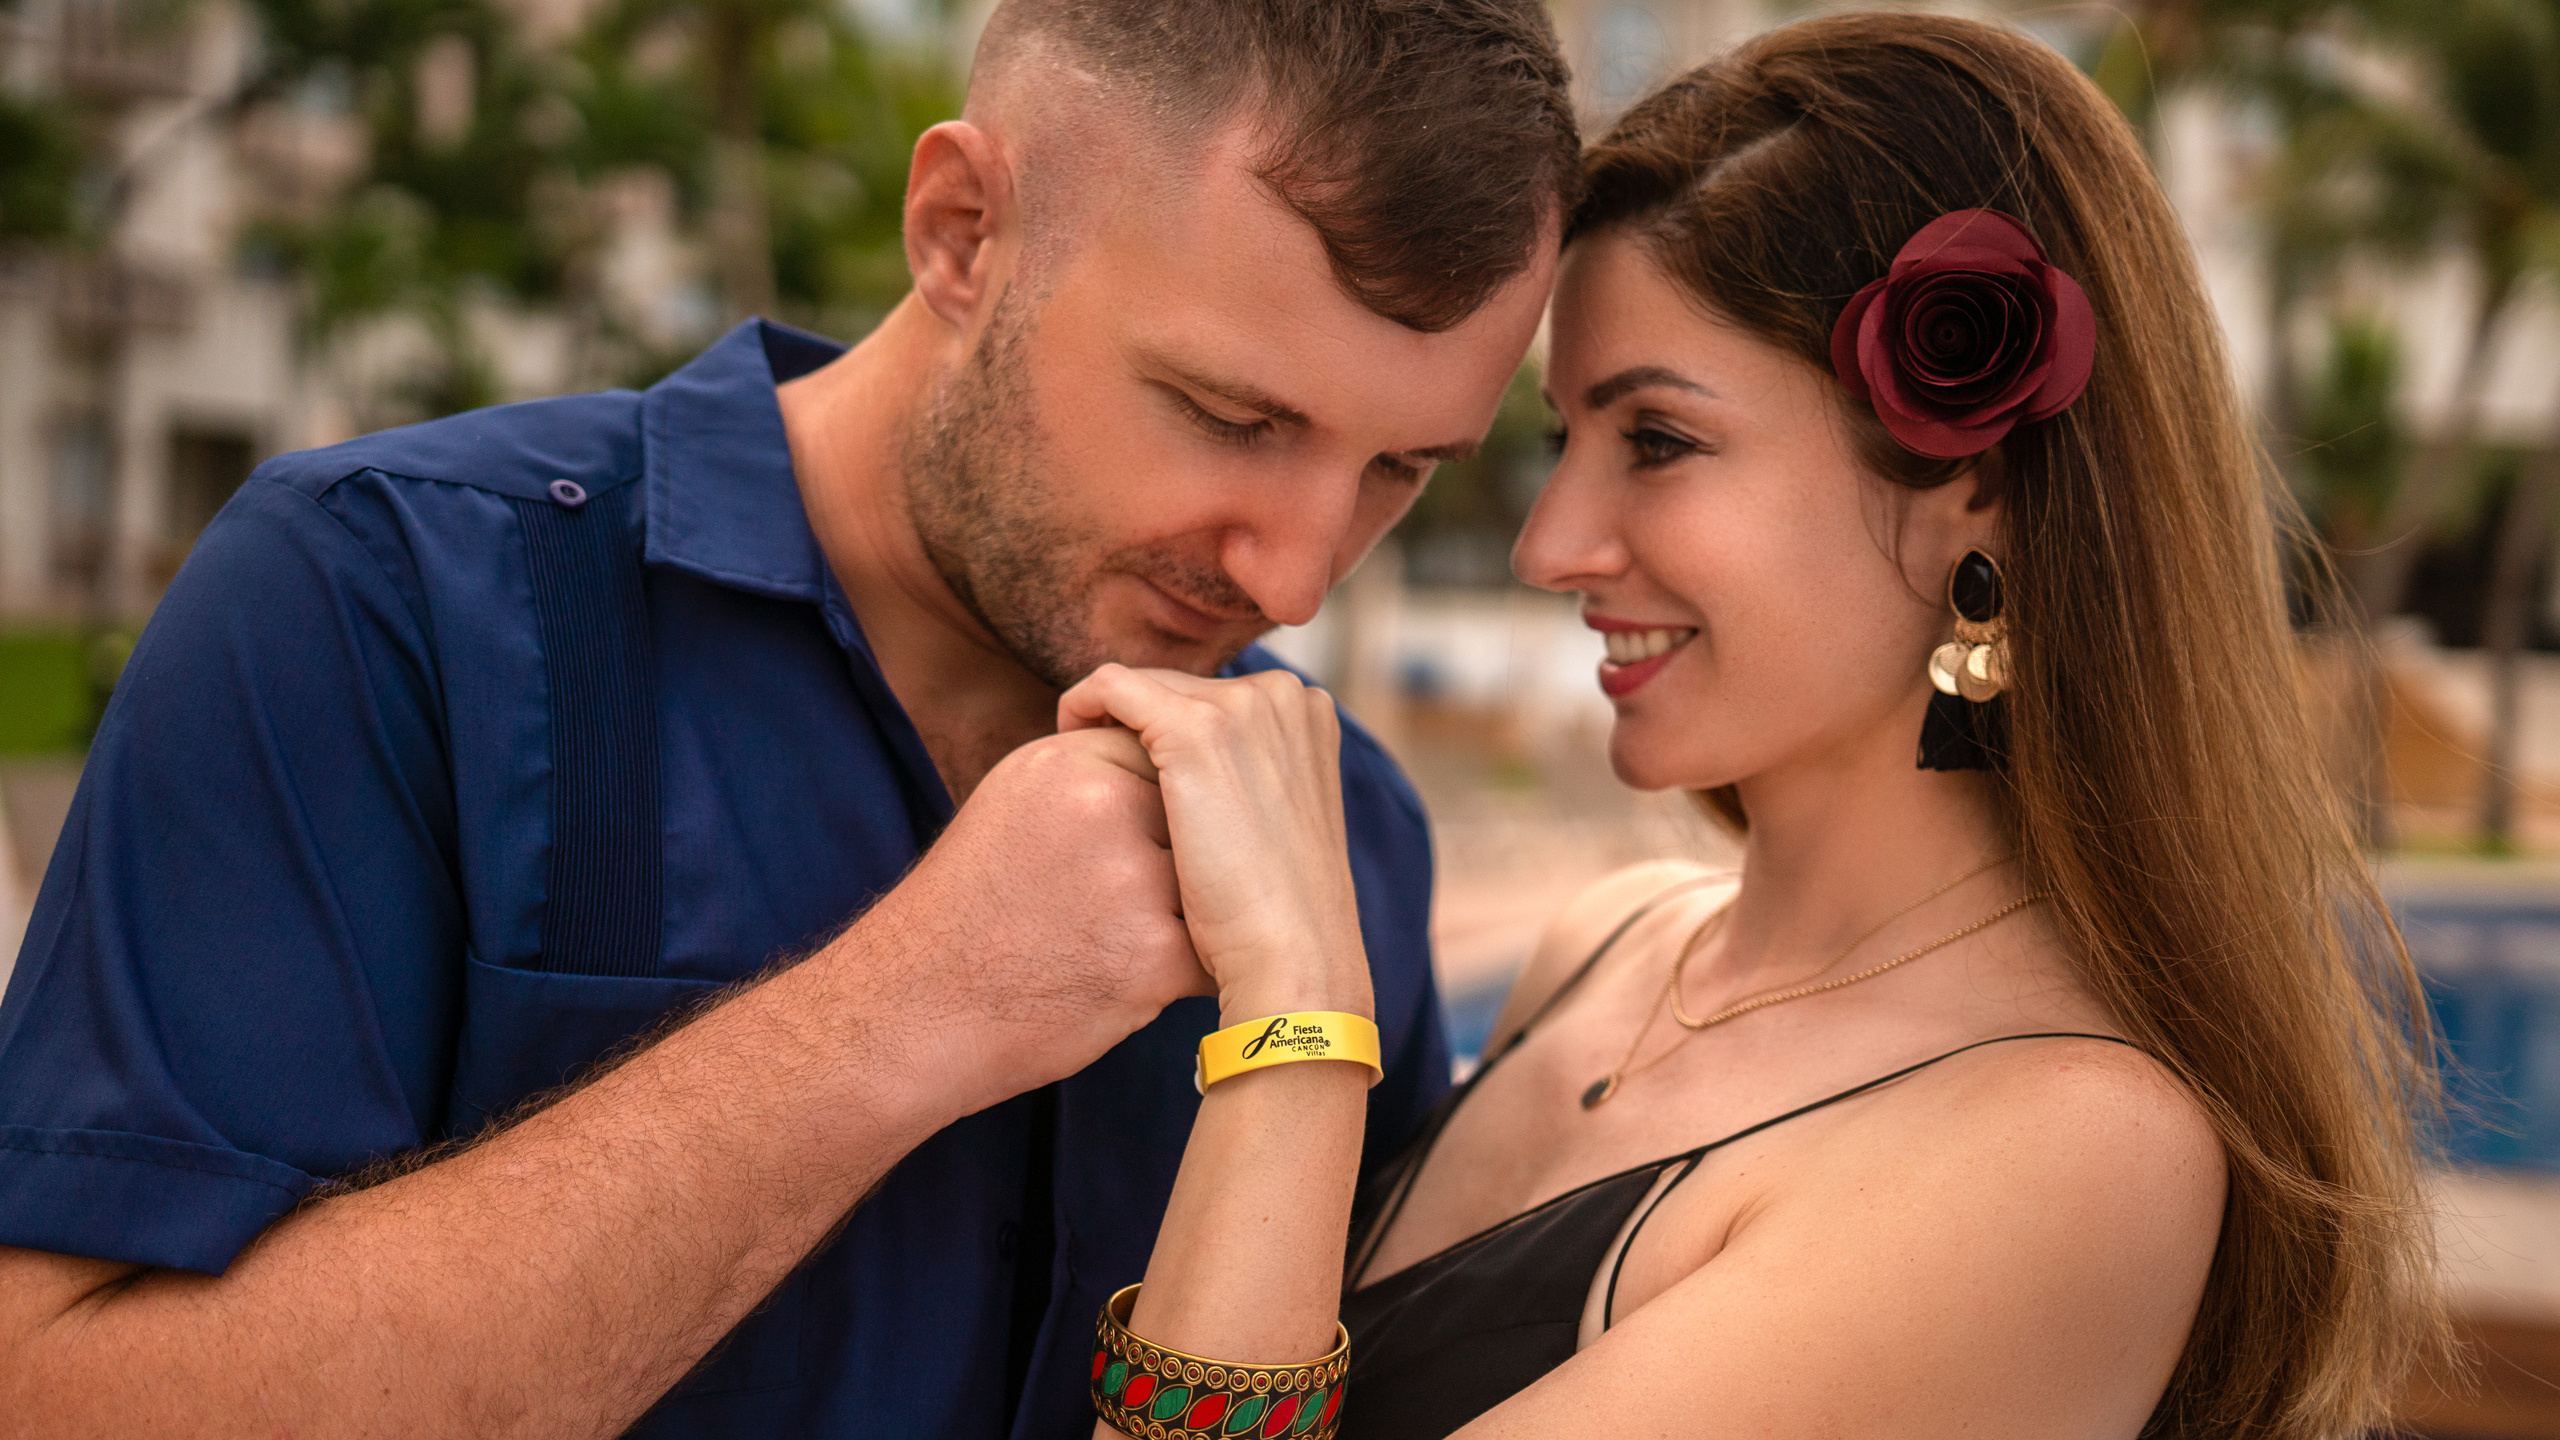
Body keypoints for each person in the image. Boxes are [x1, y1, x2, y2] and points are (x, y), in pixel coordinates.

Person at [0, 4, 1577, 1436]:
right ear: (963, 230)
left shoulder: (1342, 826)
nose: (1295, 580)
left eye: (1400, 470)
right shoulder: (387, 597)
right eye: (1232, 417)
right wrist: (904, 1009)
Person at [1071, 14, 2442, 1440]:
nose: (1551, 545)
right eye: (1562, 445)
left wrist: (1296, 1015)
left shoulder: (2070, 1149)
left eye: (1656, 441)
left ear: (1975, 486)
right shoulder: (1608, 946)